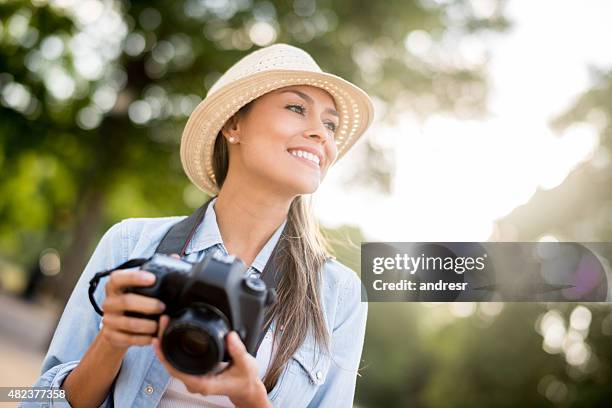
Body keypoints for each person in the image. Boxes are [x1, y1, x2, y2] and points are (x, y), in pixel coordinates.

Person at [28, 43, 374, 408]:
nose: (321, 133)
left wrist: (250, 397)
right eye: (296, 107)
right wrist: (111, 341)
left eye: (331, 124)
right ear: (233, 124)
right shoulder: (131, 243)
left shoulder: (340, 295)